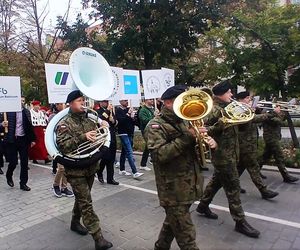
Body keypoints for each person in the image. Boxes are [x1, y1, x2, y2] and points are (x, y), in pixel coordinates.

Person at [145, 85, 217, 250]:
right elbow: (159, 155)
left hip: (188, 184)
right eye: (181, 101)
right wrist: (188, 137)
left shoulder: (185, 121)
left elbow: (195, 149)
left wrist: (210, 142)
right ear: (169, 103)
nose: (186, 105)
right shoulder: (156, 125)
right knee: (187, 237)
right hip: (172, 189)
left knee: (172, 223)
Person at [196, 81, 260, 238]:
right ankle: (240, 222)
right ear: (221, 94)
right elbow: (203, 131)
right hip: (223, 156)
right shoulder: (213, 110)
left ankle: (203, 206)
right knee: (233, 188)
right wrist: (221, 125)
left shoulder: (229, 107)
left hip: (231, 153)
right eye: (229, 92)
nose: (232, 95)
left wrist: (246, 116)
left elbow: (240, 128)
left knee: (216, 182)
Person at [56, 90, 112, 250]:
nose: (83, 103)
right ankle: (98, 238)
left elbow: (99, 139)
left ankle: (74, 222)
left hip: (90, 167)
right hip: (75, 171)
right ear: (70, 104)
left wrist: (104, 125)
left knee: (82, 199)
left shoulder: (90, 120)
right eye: (80, 100)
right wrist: (83, 137)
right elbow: (64, 147)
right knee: (86, 202)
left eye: (84, 100)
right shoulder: (64, 124)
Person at [236, 91, 279, 199]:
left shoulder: (246, 108)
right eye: (248, 99)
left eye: (251, 99)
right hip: (245, 144)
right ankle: (264, 191)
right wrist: (273, 113)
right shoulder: (238, 109)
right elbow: (255, 119)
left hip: (249, 143)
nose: (250, 101)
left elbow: (255, 120)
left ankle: (234, 185)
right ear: (243, 99)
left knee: (240, 167)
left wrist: (254, 110)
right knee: (253, 167)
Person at [0, 96, 35, 191]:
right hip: (11, 140)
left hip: (23, 140)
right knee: (13, 162)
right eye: (20, 99)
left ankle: (23, 183)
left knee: (24, 162)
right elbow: (1, 125)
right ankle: (9, 174)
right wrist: (2, 124)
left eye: (22, 100)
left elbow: (29, 126)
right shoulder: (7, 111)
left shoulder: (26, 112)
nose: (21, 101)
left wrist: (32, 139)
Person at [260, 106, 299, 183]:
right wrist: (278, 112)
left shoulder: (272, 114)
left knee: (265, 156)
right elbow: (280, 121)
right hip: (271, 139)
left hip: (274, 138)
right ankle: (286, 176)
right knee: (279, 156)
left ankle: (256, 170)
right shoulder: (268, 115)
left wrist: (285, 111)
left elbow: (282, 119)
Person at [48, 103, 74, 198]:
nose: (63, 106)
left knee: (66, 168)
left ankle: (64, 187)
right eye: (60, 104)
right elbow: (51, 130)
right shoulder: (53, 116)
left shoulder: (69, 117)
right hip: (58, 145)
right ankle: (55, 185)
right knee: (62, 168)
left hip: (68, 144)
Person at [115, 100, 144, 178]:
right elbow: (120, 121)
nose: (127, 102)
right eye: (125, 100)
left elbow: (134, 122)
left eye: (127, 100)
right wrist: (128, 114)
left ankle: (122, 169)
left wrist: (134, 117)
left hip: (130, 132)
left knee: (124, 152)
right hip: (123, 132)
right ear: (120, 101)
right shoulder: (118, 110)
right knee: (129, 151)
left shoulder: (129, 109)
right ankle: (134, 172)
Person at [96, 100, 119, 185]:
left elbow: (116, 123)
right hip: (104, 137)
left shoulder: (111, 111)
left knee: (112, 158)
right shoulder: (98, 111)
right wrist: (108, 111)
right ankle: (99, 171)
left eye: (106, 102)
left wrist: (113, 120)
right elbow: (100, 119)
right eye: (104, 102)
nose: (106, 103)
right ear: (101, 103)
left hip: (112, 135)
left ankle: (110, 178)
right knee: (105, 157)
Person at [28, 100, 51, 164]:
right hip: (34, 129)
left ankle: (45, 158)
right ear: (34, 106)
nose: (38, 107)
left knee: (42, 144)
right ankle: (34, 158)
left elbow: (44, 120)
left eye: (38, 105)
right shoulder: (30, 112)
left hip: (40, 129)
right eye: (36, 105)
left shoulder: (41, 112)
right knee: (35, 145)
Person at [139, 98, 155, 171]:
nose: (152, 101)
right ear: (146, 101)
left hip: (153, 129)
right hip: (146, 130)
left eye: (152, 99)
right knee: (149, 146)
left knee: (149, 146)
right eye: (150, 99)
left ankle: (145, 163)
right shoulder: (143, 110)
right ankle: (143, 164)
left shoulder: (153, 109)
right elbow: (144, 120)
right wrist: (153, 116)